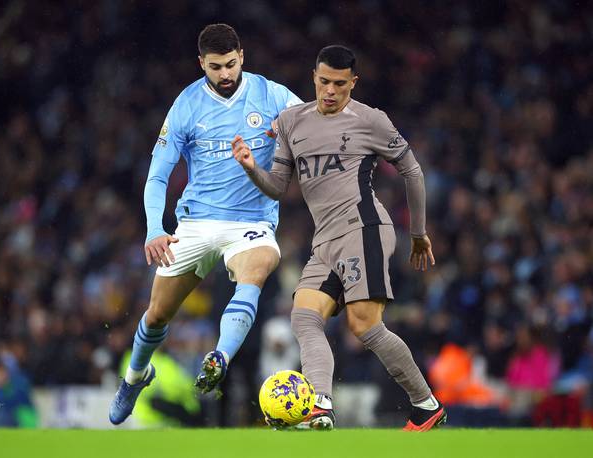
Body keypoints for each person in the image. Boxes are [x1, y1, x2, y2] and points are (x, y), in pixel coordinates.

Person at [232, 45, 445, 431]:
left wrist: (418, 233)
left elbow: (412, 172)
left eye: (340, 85)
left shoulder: (371, 120)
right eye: (324, 82)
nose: (331, 91)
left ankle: (425, 404)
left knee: (363, 326)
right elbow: (279, 186)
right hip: (325, 241)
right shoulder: (290, 121)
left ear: (353, 83)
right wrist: (250, 167)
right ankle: (321, 404)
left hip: (363, 229)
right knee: (303, 316)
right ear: (314, 77)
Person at [109, 23, 301, 425]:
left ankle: (220, 356)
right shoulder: (186, 105)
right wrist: (153, 230)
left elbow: (314, 130)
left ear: (242, 56)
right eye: (215, 67)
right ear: (202, 64)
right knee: (158, 314)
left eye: (231, 64)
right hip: (195, 222)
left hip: (251, 222)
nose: (225, 74)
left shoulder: (274, 95)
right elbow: (158, 175)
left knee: (261, 264)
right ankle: (135, 378)